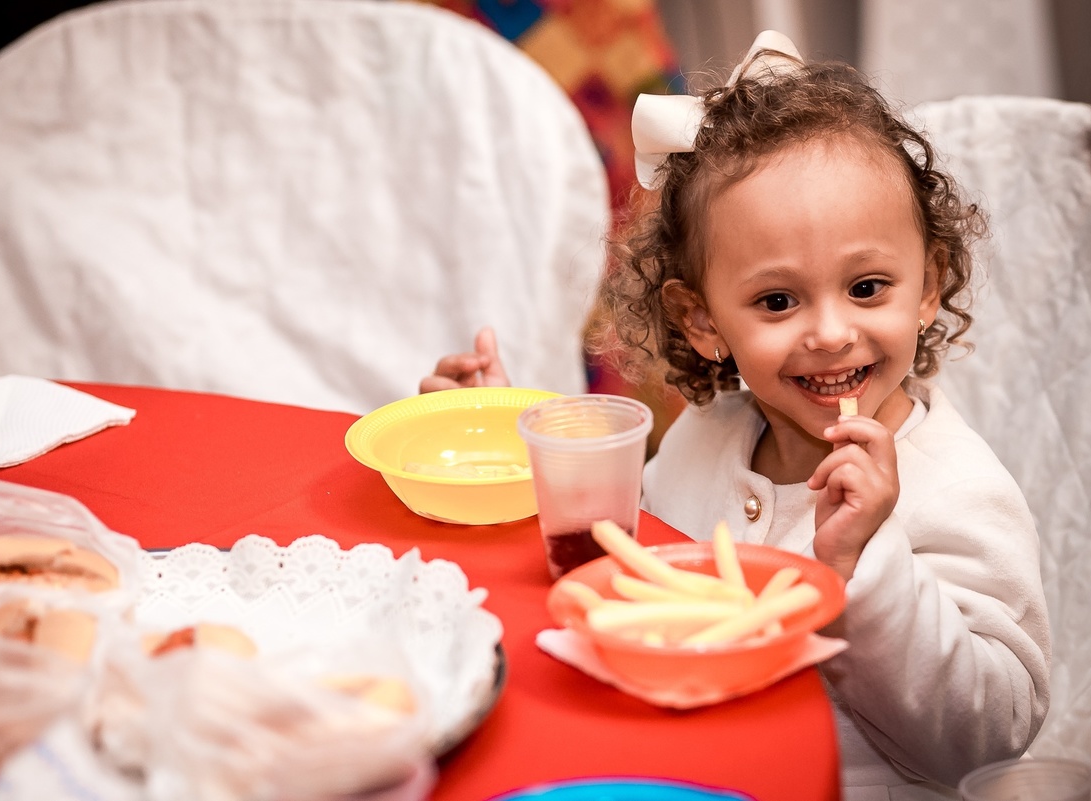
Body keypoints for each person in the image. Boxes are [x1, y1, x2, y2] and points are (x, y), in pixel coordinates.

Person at [422, 31, 1051, 800]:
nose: (829, 331)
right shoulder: (704, 436)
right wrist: (518, 455)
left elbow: (988, 736)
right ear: (703, 320)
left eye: (867, 287)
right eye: (777, 300)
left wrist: (870, 566)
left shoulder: (954, 487)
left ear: (928, 286)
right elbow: (621, 567)